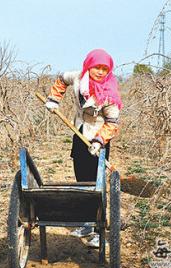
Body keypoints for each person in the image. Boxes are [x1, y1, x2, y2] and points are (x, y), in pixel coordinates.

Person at [45, 49, 123, 247]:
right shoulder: (78, 77)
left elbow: (112, 122)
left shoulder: (109, 94)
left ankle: (96, 228)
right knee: (81, 179)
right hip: (79, 132)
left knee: (96, 184)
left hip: (97, 137)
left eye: (105, 69)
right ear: (89, 65)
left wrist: (99, 141)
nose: (100, 72)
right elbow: (61, 79)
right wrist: (54, 99)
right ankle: (86, 224)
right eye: (97, 67)